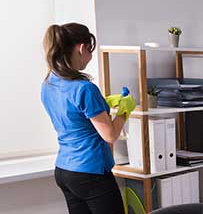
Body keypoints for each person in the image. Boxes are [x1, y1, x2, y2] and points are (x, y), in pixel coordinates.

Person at [41, 23, 134, 214]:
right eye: (90, 51)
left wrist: (103, 104)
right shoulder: (85, 88)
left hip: (65, 171)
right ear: (81, 48)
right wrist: (125, 110)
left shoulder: (48, 83)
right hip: (91, 172)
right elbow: (110, 135)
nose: (90, 57)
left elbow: (72, 115)